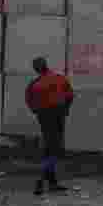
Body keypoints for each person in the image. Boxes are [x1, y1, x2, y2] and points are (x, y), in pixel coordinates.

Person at [25, 57, 74, 195]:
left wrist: (37, 111)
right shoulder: (60, 79)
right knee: (53, 149)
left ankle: (51, 182)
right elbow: (70, 96)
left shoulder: (34, 84)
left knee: (50, 148)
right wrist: (65, 110)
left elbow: (29, 101)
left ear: (36, 69)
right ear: (46, 65)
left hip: (44, 117)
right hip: (58, 115)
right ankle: (41, 180)